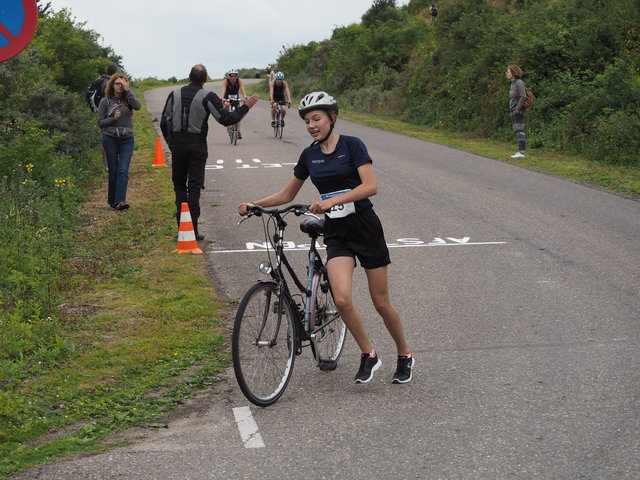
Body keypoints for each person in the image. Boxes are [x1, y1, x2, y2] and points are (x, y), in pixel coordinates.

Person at [237, 91, 414, 384]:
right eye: (307, 121)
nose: (311, 125)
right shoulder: (310, 155)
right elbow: (287, 194)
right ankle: (369, 354)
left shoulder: (352, 146)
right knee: (342, 299)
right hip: (337, 233)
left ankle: (404, 354)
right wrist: (255, 203)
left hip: (365, 228)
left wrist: (332, 201)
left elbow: (370, 186)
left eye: (316, 118)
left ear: (332, 117)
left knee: (381, 303)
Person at [161, 64, 258, 240]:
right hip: (197, 145)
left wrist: (171, 143)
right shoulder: (207, 96)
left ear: (189, 77)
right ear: (205, 79)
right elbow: (226, 119)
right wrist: (246, 107)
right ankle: (193, 230)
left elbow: (164, 122)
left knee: (180, 187)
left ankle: (182, 229)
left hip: (178, 145)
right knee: (194, 187)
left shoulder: (174, 94)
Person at [97, 73, 140, 211]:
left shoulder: (129, 101)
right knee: (114, 170)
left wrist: (129, 91)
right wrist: (113, 119)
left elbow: (138, 106)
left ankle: (120, 201)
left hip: (127, 139)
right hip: (110, 139)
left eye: (123, 83)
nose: (121, 86)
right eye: (118, 84)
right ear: (112, 85)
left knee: (123, 170)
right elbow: (101, 122)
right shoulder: (105, 102)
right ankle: (112, 201)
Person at [506, 65, 527, 158]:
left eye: (508, 72)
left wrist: (518, 108)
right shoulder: (513, 83)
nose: (507, 73)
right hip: (512, 110)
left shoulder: (519, 83)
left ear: (514, 73)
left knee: (520, 131)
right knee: (517, 131)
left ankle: (522, 152)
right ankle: (520, 151)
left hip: (517, 111)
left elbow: (523, 96)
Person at [220, 69, 248, 139]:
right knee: (227, 105)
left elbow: (243, 89)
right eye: (231, 76)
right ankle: (226, 118)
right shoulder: (226, 81)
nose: (233, 78)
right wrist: (222, 98)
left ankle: (238, 131)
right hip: (227, 97)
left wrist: (245, 97)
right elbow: (223, 90)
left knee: (237, 114)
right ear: (229, 76)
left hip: (236, 97)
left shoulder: (239, 81)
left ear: (237, 76)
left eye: (234, 76)